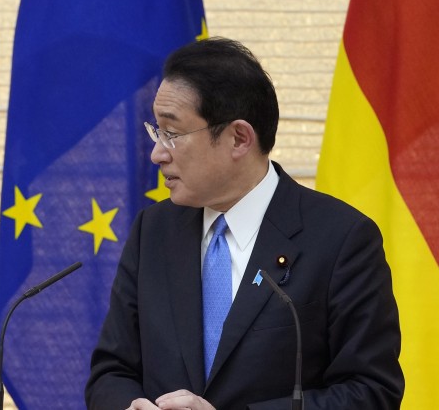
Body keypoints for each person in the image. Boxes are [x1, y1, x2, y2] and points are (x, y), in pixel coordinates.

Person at [85, 38, 402, 409]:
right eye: (157, 131)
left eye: (172, 134)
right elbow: (111, 371)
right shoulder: (153, 231)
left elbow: (371, 391)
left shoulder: (341, 240)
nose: (157, 153)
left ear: (238, 139)